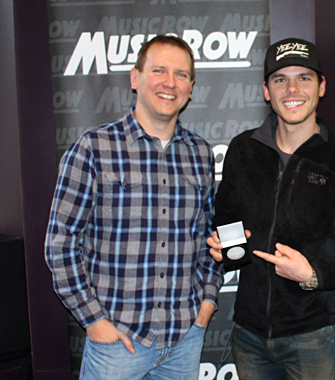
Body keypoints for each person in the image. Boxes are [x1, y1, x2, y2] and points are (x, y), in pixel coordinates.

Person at [45, 35, 223, 380]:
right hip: (117, 344)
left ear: (191, 86)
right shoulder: (94, 148)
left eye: (181, 74)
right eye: (159, 70)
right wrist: (94, 322)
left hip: (184, 342)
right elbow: (60, 243)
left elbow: (208, 238)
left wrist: (205, 308)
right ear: (134, 77)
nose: (170, 83)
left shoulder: (200, 154)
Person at [207, 37, 335, 379]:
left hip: (313, 335)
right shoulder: (243, 149)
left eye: (304, 77)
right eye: (280, 79)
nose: (292, 88)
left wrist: (314, 275)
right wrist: (226, 249)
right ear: (265, 90)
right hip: (249, 333)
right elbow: (227, 219)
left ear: (321, 87)